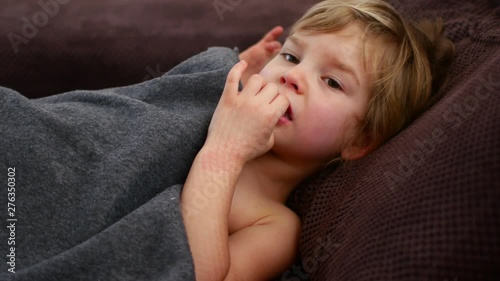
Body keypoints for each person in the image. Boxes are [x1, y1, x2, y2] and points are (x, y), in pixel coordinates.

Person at [180, 0, 454, 280]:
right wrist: (221, 74)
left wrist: (225, 151)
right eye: (291, 57)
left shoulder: (273, 227)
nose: (292, 76)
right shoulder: (220, 105)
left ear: (359, 140)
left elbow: (195, 274)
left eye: (332, 82)